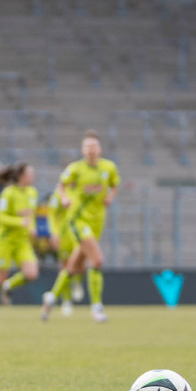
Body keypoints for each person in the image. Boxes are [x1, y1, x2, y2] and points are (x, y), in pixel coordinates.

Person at [41, 131, 119, 322]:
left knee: (73, 266)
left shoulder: (108, 168)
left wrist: (110, 196)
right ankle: (97, 308)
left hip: (96, 221)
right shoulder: (75, 169)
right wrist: (65, 198)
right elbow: (61, 185)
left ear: (99, 149)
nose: (91, 150)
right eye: (87, 146)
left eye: (94, 146)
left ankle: (50, 298)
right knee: (97, 260)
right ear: (83, 150)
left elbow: (114, 185)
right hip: (78, 220)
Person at [0, 163, 39, 323]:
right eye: (29, 173)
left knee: (31, 273)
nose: (32, 176)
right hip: (4, 240)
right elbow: (0, 218)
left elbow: (30, 217)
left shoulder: (32, 193)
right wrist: (20, 222)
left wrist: (31, 229)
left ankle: (8, 286)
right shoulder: (8, 193)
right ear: (21, 176)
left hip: (22, 241)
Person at [46, 187, 84, 316]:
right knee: (65, 267)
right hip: (63, 236)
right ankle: (66, 301)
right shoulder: (58, 194)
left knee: (80, 263)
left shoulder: (80, 190)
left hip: (78, 232)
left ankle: (77, 281)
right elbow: (51, 215)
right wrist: (53, 233)